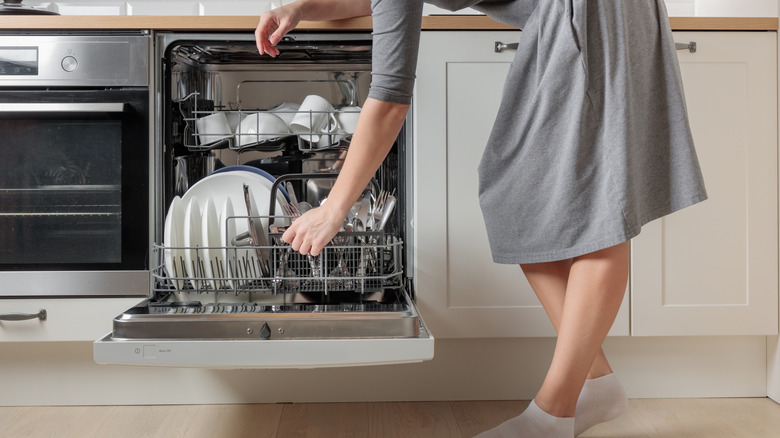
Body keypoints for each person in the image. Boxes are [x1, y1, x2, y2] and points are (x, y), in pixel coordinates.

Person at [255, 1, 707, 437]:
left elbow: (391, 97)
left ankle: (553, 414)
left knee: (596, 209)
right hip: (567, 17)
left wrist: (334, 209)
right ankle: (596, 383)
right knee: (519, 199)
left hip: (591, 12)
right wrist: (302, 8)